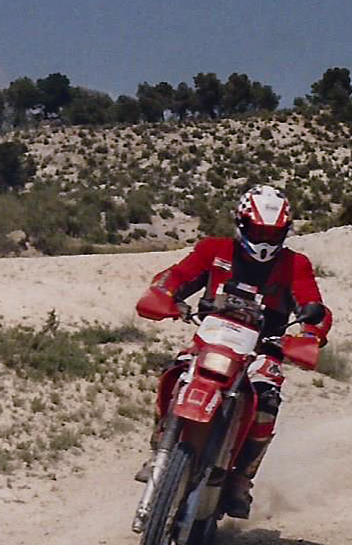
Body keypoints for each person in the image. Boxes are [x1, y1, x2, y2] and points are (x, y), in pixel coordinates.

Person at [134, 185, 331, 519]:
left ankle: (241, 478)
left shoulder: (295, 264)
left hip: (262, 348)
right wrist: (164, 293)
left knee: (267, 401)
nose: (265, 240)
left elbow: (313, 304)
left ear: (284, 232)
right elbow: (178, 275)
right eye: (258, 231)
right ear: (242, 224)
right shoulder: (214, 250)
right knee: (175, 372)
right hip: (211, 339)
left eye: (273, 233)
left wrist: (310, 333)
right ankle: (161, 447)